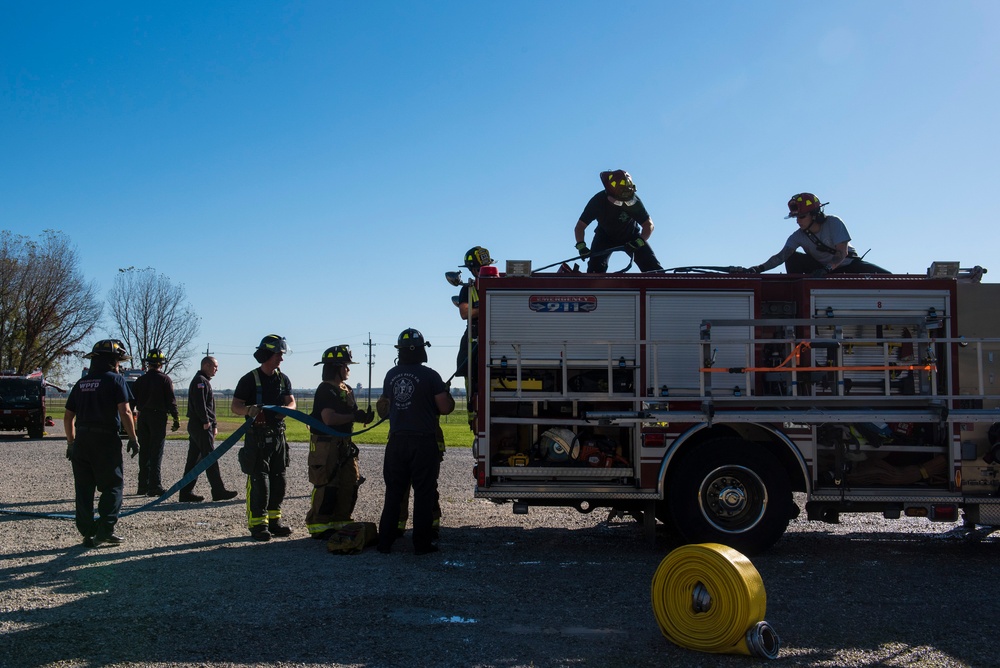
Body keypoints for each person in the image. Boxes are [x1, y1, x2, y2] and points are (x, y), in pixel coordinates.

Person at [376, 328, 455, 555]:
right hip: (423, 443)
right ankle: (422, 544)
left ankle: (385, 543)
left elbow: (387, 406)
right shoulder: (431, 376)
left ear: (400, 352)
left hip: (397, 442)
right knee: (424, 493)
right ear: (421, 350)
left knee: (394, 493)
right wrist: (445, 393)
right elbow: (445, 407)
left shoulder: (391, 375)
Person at [64, 339, 139, 548]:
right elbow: (125, 411)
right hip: (105, 439)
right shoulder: (116, 380)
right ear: (113, 361)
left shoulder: (81, 384)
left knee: (84, 488)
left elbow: (68, 416)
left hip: (82, 439)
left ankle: (87, 532)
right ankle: (106, 529)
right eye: (119, 361)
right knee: (113, 485)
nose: (120, 366)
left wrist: (71, 442)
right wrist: (133, 438)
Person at [231, 334, 296, 541]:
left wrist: (286, 409)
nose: (281, 359)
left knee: (279, 479)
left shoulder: (282, 379)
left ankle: (274, 521)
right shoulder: (249, 379)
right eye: (278, 354)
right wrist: (250, 410)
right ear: (267, 354)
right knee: (259, 480)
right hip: (256, 438)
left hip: (278, 436)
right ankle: (258, 525)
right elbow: (235, 406)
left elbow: (292, 402)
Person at [305, 345, 374, 540]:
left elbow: (351, 414)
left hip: (344, 443)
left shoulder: (347, 389)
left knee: (349, 482)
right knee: (328, 483)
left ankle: (341, 520)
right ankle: (319, 524)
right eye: (346, 365)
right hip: (326, 444)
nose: (348, 369)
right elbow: (329, 418)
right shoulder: (325, 389)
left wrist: (363, 417)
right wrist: (354, 416)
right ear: (336, 367)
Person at [736, 193, 890, 276]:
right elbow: (781, 257)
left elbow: (842, 252)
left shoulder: (834, 223)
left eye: (801, 217)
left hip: (848, 266)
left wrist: (828, 269)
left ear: (815, 214)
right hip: (820, 270)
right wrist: (758, 269)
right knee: (793, 257)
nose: (798, 221)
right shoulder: (797, 236)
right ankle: (798, 289)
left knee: (887, 278)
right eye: (796, 218)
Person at [574, 169, 664, 274]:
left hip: (631, 236)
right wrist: (581, 246)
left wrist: (639, 242)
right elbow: (580, 226)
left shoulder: (635, 202)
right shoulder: (598, 201)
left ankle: (662, 285)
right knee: (595, 270)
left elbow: (648, 225)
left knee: (654, 269)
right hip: (604, 237)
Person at [179, 356, 238, 503]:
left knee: (194, 459)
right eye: (214, 366)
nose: (216, 369)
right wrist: (206, 422)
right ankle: (218, 490)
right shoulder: (200, 381)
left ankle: (185, 492)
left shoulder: (204, 381)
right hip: (200, 425)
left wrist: (215, 425)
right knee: (210, 457)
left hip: (201, 424)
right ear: (206, 365)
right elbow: (201, 404)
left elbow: (210, 407)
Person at [131, 349, 180, 497]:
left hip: (143, 417)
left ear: (148, 364)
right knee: (156, 451)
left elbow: (132, 401)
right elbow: (171, 401)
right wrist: (176, 418)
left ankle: (142, 485)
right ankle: (155, 485)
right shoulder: (165, 379)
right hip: (158, 417)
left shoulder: (140, 380)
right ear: (161, 364)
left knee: (144, 450)